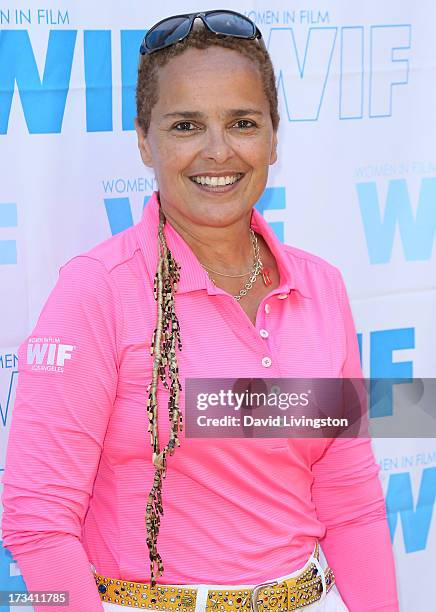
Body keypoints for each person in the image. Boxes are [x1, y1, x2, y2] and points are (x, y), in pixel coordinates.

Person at [1, 10, 399, 612]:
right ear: (144, 140)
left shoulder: (323, 288)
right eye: (186, 125)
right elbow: (37, 518)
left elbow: (350, 496)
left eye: (242, 122)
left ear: (272, 137)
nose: (218, 152)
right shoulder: (98, 292)